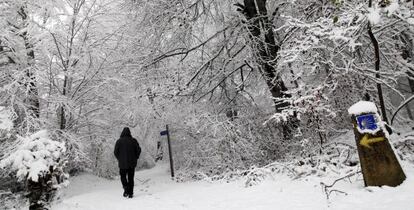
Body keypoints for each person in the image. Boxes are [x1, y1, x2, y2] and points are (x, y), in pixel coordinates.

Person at [114, 127, 141, 198]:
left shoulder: (119, 141)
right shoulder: (133, 141)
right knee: (131, 178)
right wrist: (136, 157)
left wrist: (119, 159)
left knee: (123, 177)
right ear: (129, 133)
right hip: (132, 163)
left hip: (122, 164)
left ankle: (126, 189)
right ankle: (131, 193)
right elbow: (138, 150)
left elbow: (115, 152)